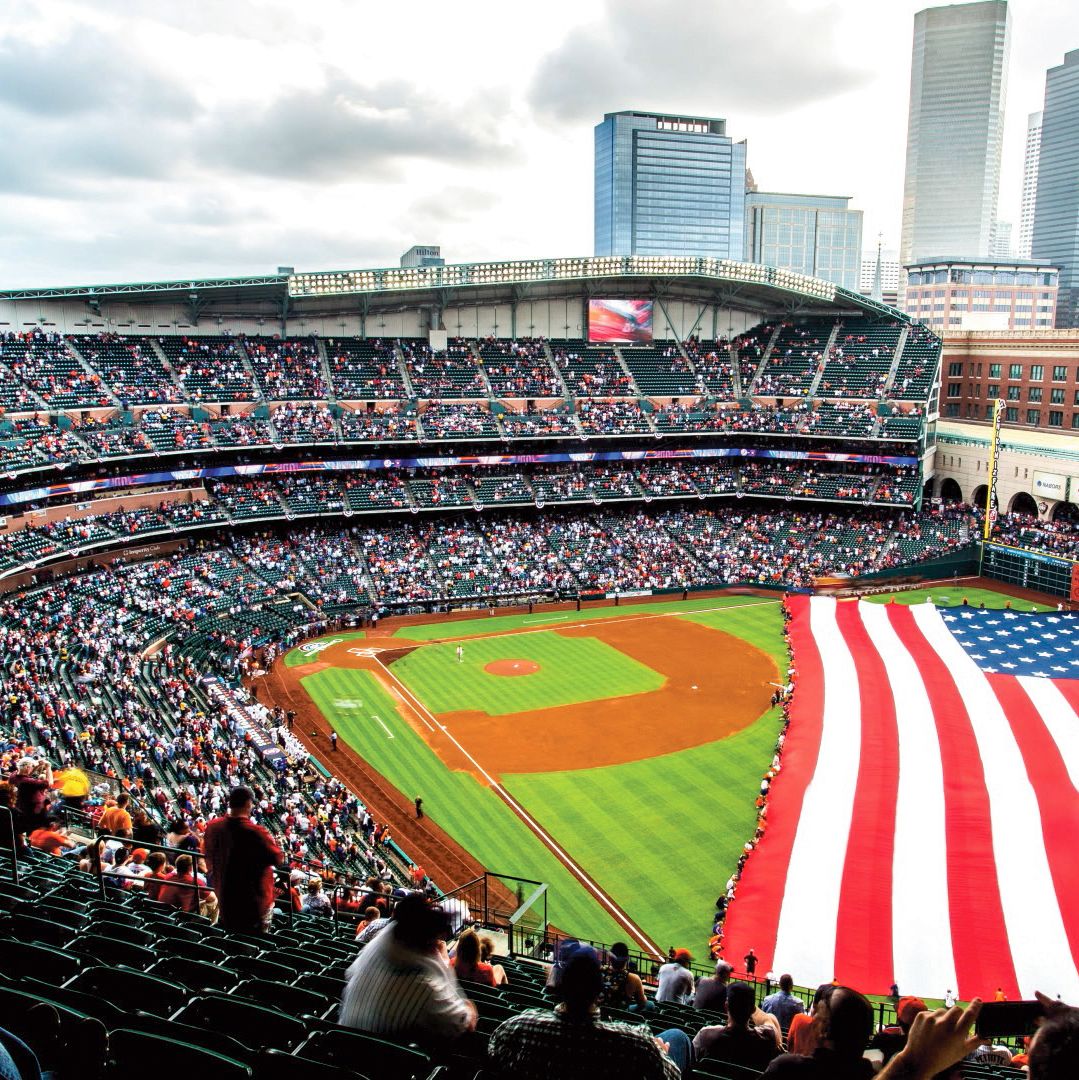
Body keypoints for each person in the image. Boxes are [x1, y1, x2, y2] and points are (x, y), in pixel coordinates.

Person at [488, 943, 689, 1079]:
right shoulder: (637, 1041)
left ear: (561, 986)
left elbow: (494, 1050)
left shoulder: (522, 1024)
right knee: (677, 1036)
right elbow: (673, 1076)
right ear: (598, 990)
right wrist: (661, 1054)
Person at [340, 894, 477, 1049]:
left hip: (340, 1044)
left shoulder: (377, 945)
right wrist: (469, 1006)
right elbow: (464, 1025)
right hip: (379, 1064)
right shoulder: (424, 986)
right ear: (426, 940)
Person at [202, 786, 283, 933]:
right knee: (256, 944)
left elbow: (207, 854)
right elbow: (278, 857)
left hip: (226, 899)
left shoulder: (213, 827)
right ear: (248, 804)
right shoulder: (256, 832)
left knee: (233, 938)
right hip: (254, 903)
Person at [763, 985, 876, 1078]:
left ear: (825, 1030)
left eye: (818, 1015)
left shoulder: (786, 1068)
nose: (813, 1019)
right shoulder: (874, 1075)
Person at [694, 980, 781, 1072]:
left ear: (726, 1006)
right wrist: (750, 1005)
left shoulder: (705, 1034)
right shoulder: (767, 1037)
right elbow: (770, 1021)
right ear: (753, 1010)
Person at [600, 942, 650, 1013]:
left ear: (610, 958)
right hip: (619, 1016)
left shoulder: (598, 971)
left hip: (600, 1012)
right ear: (627, 959)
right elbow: (642, 1003)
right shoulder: (634, 978)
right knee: (650, 1004)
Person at [762, 974, 806, 1039]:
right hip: (787, 1039)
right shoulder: (798, 1004)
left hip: (769, 1038)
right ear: (791, 986)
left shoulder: (768, 1000)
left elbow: (762, 1019)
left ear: (780, 984)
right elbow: (801, 1024)